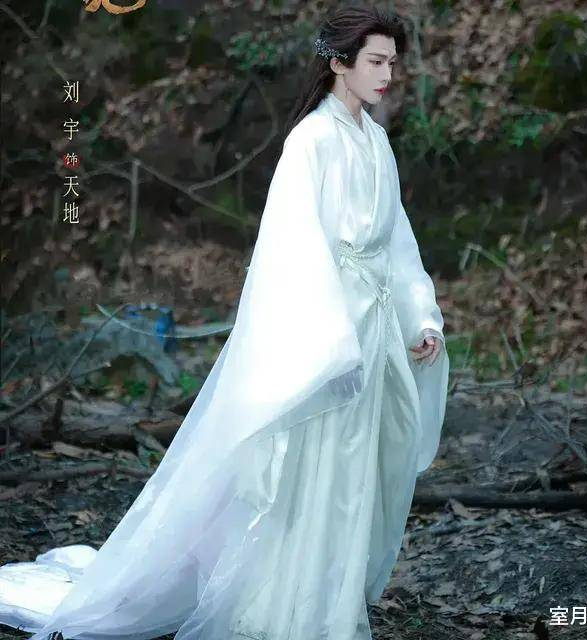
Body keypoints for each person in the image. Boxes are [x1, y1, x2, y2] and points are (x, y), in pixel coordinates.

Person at [0, 6, 449, 640]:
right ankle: (283, 607)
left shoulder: (374, 141)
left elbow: (395, 240)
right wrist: (329, 339)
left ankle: (329, 603)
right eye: (376, 61)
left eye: (392, 63)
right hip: (327, 335)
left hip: (372, 328)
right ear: (338, 62)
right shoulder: (311, 140)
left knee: (351, 472)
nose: (387, 75)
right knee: (310, 467)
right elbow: (291, 248)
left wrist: (419, 317)